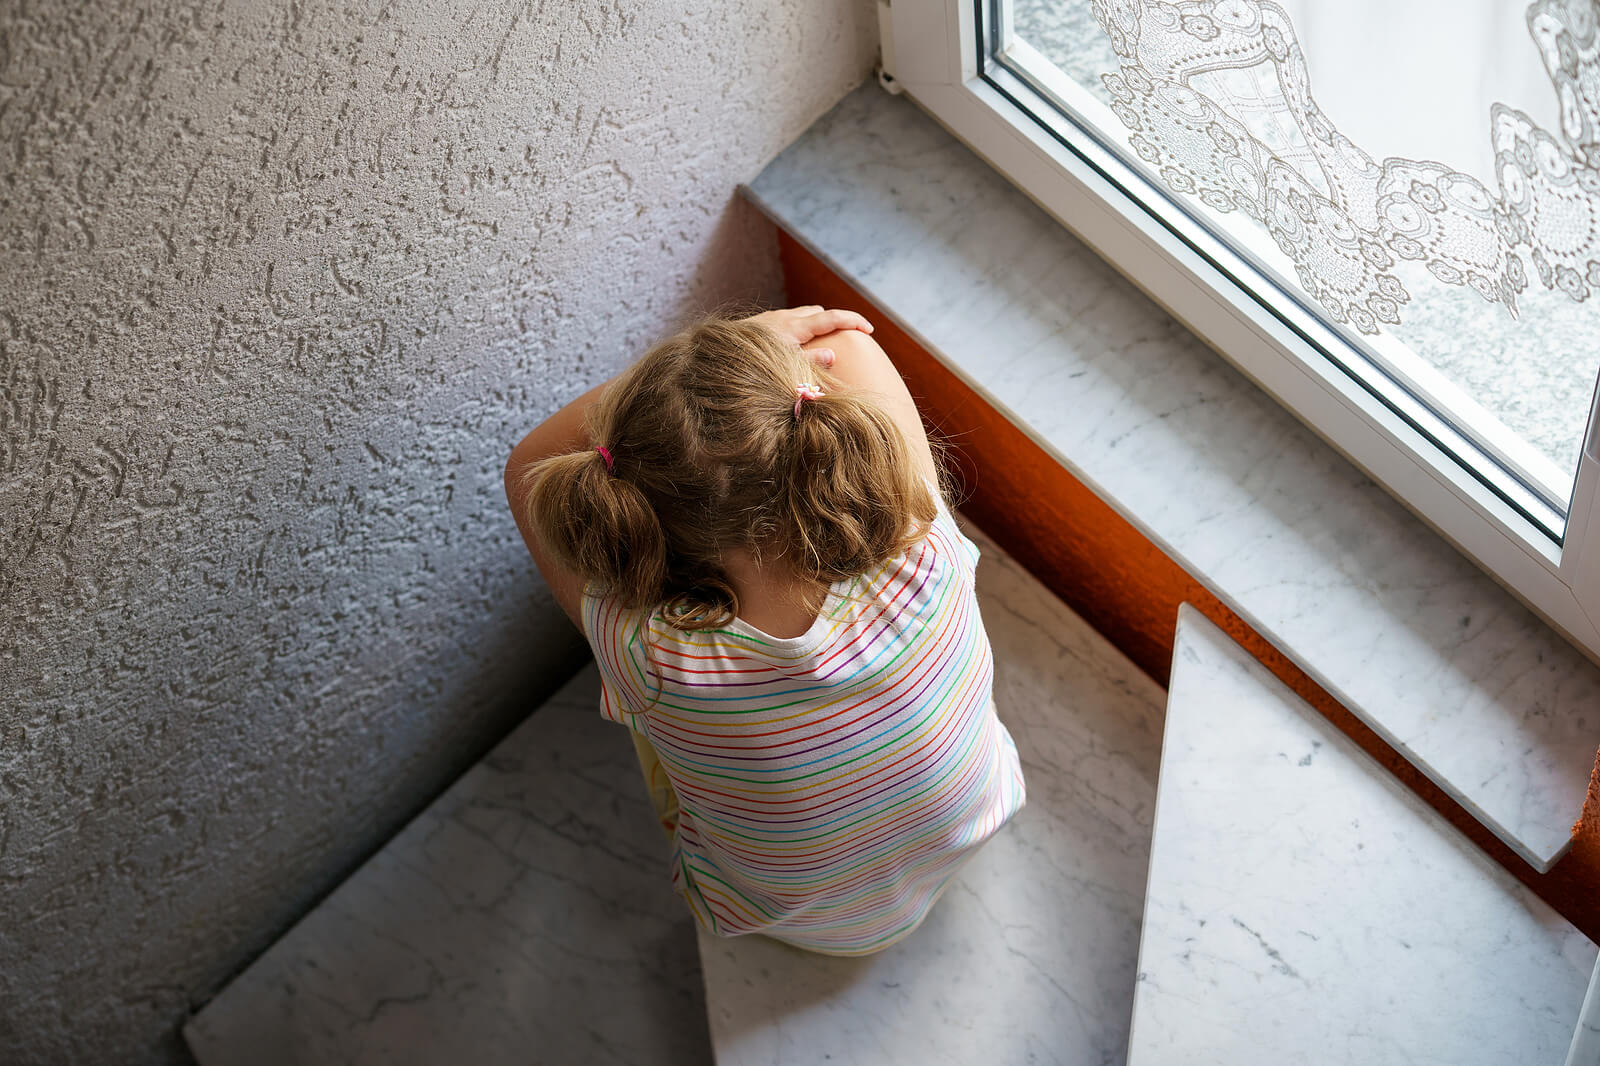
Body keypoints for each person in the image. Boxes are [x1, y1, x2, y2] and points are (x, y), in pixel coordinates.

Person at [504, 305, 1025, 956]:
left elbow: (529, 462)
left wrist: (658, 414)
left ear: (628, 498)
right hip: (972, 827)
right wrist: (754, 353)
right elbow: (846, 339)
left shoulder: (649, 656)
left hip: (790, 918)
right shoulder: (924, 551)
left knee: (648, 723)